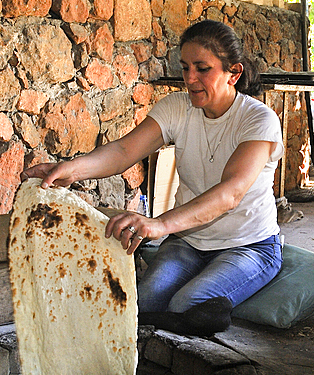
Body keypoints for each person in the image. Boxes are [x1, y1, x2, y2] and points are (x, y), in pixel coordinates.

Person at [21, 20, 284, 335]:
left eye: (203, 69)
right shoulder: (177, 107)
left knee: (186, 303)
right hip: (189, 242)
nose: (190, 79)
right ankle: (184, 320)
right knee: (142, 302)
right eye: (185, 68)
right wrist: (66, 170)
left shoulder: (259, 120)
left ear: (234, 73)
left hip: (249, 245)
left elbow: (230, 193)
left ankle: (195, 314)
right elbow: (122, 152)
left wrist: (158, 224)